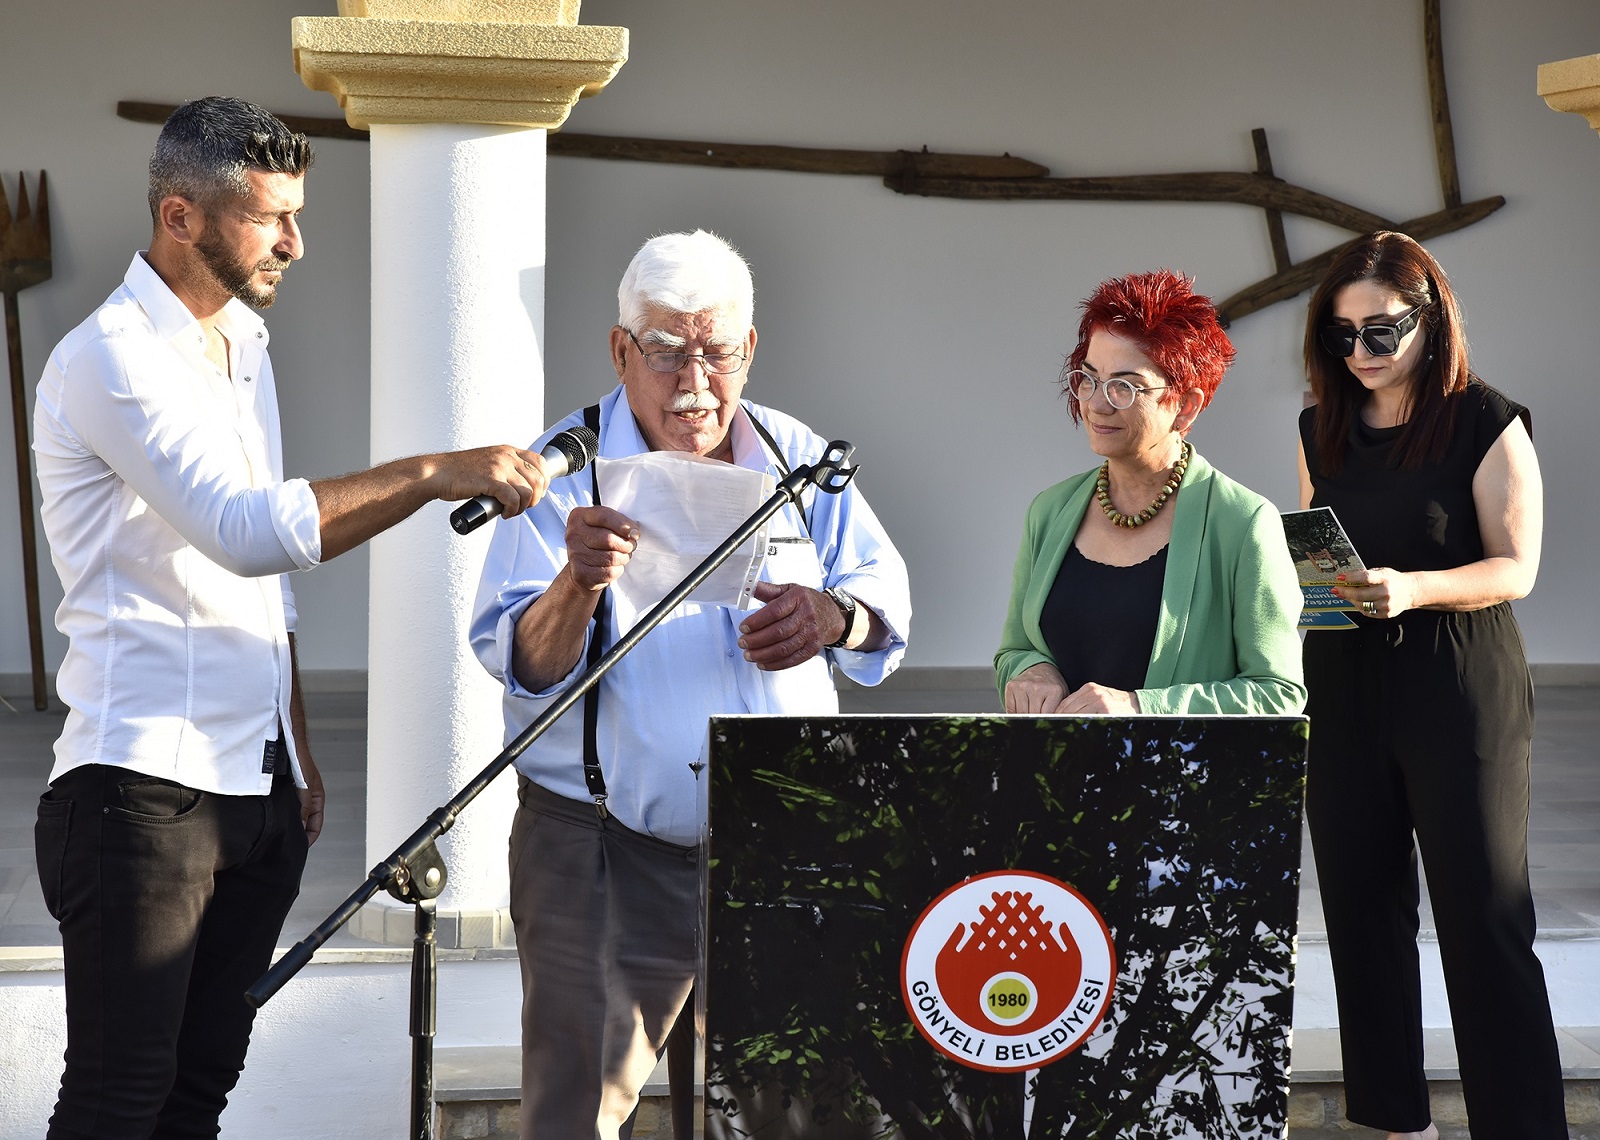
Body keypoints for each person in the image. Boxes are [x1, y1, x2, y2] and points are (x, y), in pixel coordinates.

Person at [31, 97, 553, 1139]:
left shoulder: (242, 344)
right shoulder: (111, 356)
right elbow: (242, 530)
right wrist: (431, 472)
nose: (294, 243)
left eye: (296, 215)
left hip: (256, 793)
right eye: (270, 217)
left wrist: (297, 748)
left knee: (196, 1098)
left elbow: (267, 582)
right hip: (139, 790)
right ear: (180, 217)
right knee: (116, 1102)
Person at [471, 229, 911, 1140]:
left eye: (718, 353)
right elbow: (522, 665)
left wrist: (833, 618)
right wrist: (576, 585)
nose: (695, 382)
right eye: (667, 351)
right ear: (620, 350)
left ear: (750, 349)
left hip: (780, 846)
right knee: (574, 1116)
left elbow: (884, 610)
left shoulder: (798, 457)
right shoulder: (562, 469)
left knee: (800, 1116)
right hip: (598, 847)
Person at [1297, 232, 1562, 1139]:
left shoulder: (1485, 418)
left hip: (1458, 680)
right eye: (1341, 336)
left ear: (1431, 318)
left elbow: (1517, 567)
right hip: (1343, 679)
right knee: (1361, 916)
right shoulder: (1320, 425)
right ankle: (1395, 1124)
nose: (1360, 353)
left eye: (1381, 331)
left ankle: (1521, 1127)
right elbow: (1318, 555)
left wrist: (1412, 588)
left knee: (1484, 918)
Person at [995, 269, 1304, 717]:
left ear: (1186, 405)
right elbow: (1015, 651)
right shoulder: (1049, 511)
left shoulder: (1243, 522)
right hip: (1056, 761)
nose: (1097, 403)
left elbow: (1277, 693)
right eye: (1089, 378)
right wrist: (1032, 670)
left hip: (1175, 765)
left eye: (1124, 386)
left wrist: (1141, 707)